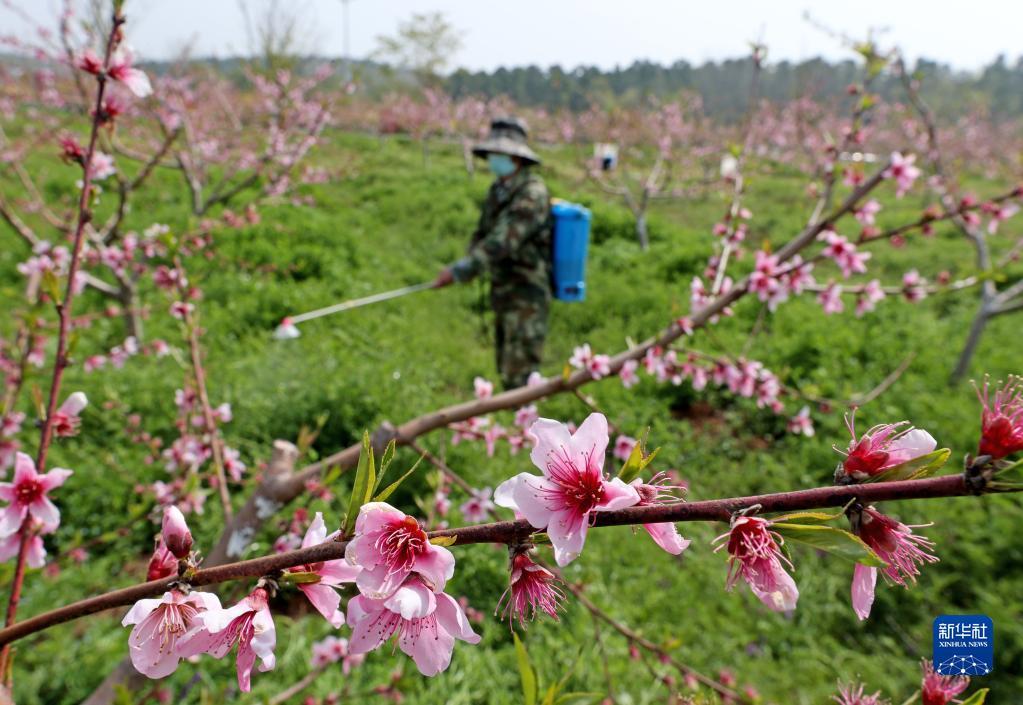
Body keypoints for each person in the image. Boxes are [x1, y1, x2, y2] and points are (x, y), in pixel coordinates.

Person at [433, 117, 552, 389]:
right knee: (504, 362)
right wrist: (470, 257)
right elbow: (484, 232)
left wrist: (463, 269)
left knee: (521, 369)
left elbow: (503, 239)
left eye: (500, 154)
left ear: (516, 157)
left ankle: (529, 427)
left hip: (525, 293)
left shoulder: (532, 193)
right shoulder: (497, 190)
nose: (494, 159)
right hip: (503, 289)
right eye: (492, 154)